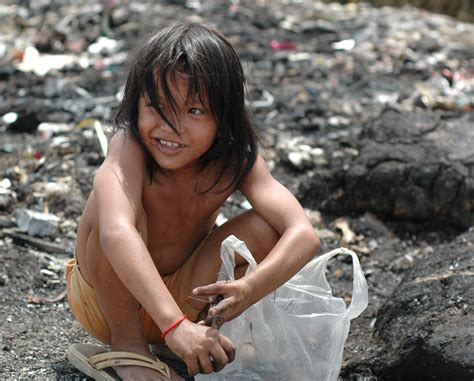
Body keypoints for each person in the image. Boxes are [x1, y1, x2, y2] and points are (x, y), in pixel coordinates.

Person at [66, 22, 320, 380]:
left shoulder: (236, 161)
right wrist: (173, 327)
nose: (172, 127)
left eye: (195, 111)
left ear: (224, 117)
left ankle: (190, 341)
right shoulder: (129, 148)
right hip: (107, 303)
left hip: (187, 305)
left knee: (265, 226)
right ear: (135, 103)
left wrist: (250, 287)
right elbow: (116, 234)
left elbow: (304, 234)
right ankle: (129, 348)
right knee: (112, 208)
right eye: (157, 106)